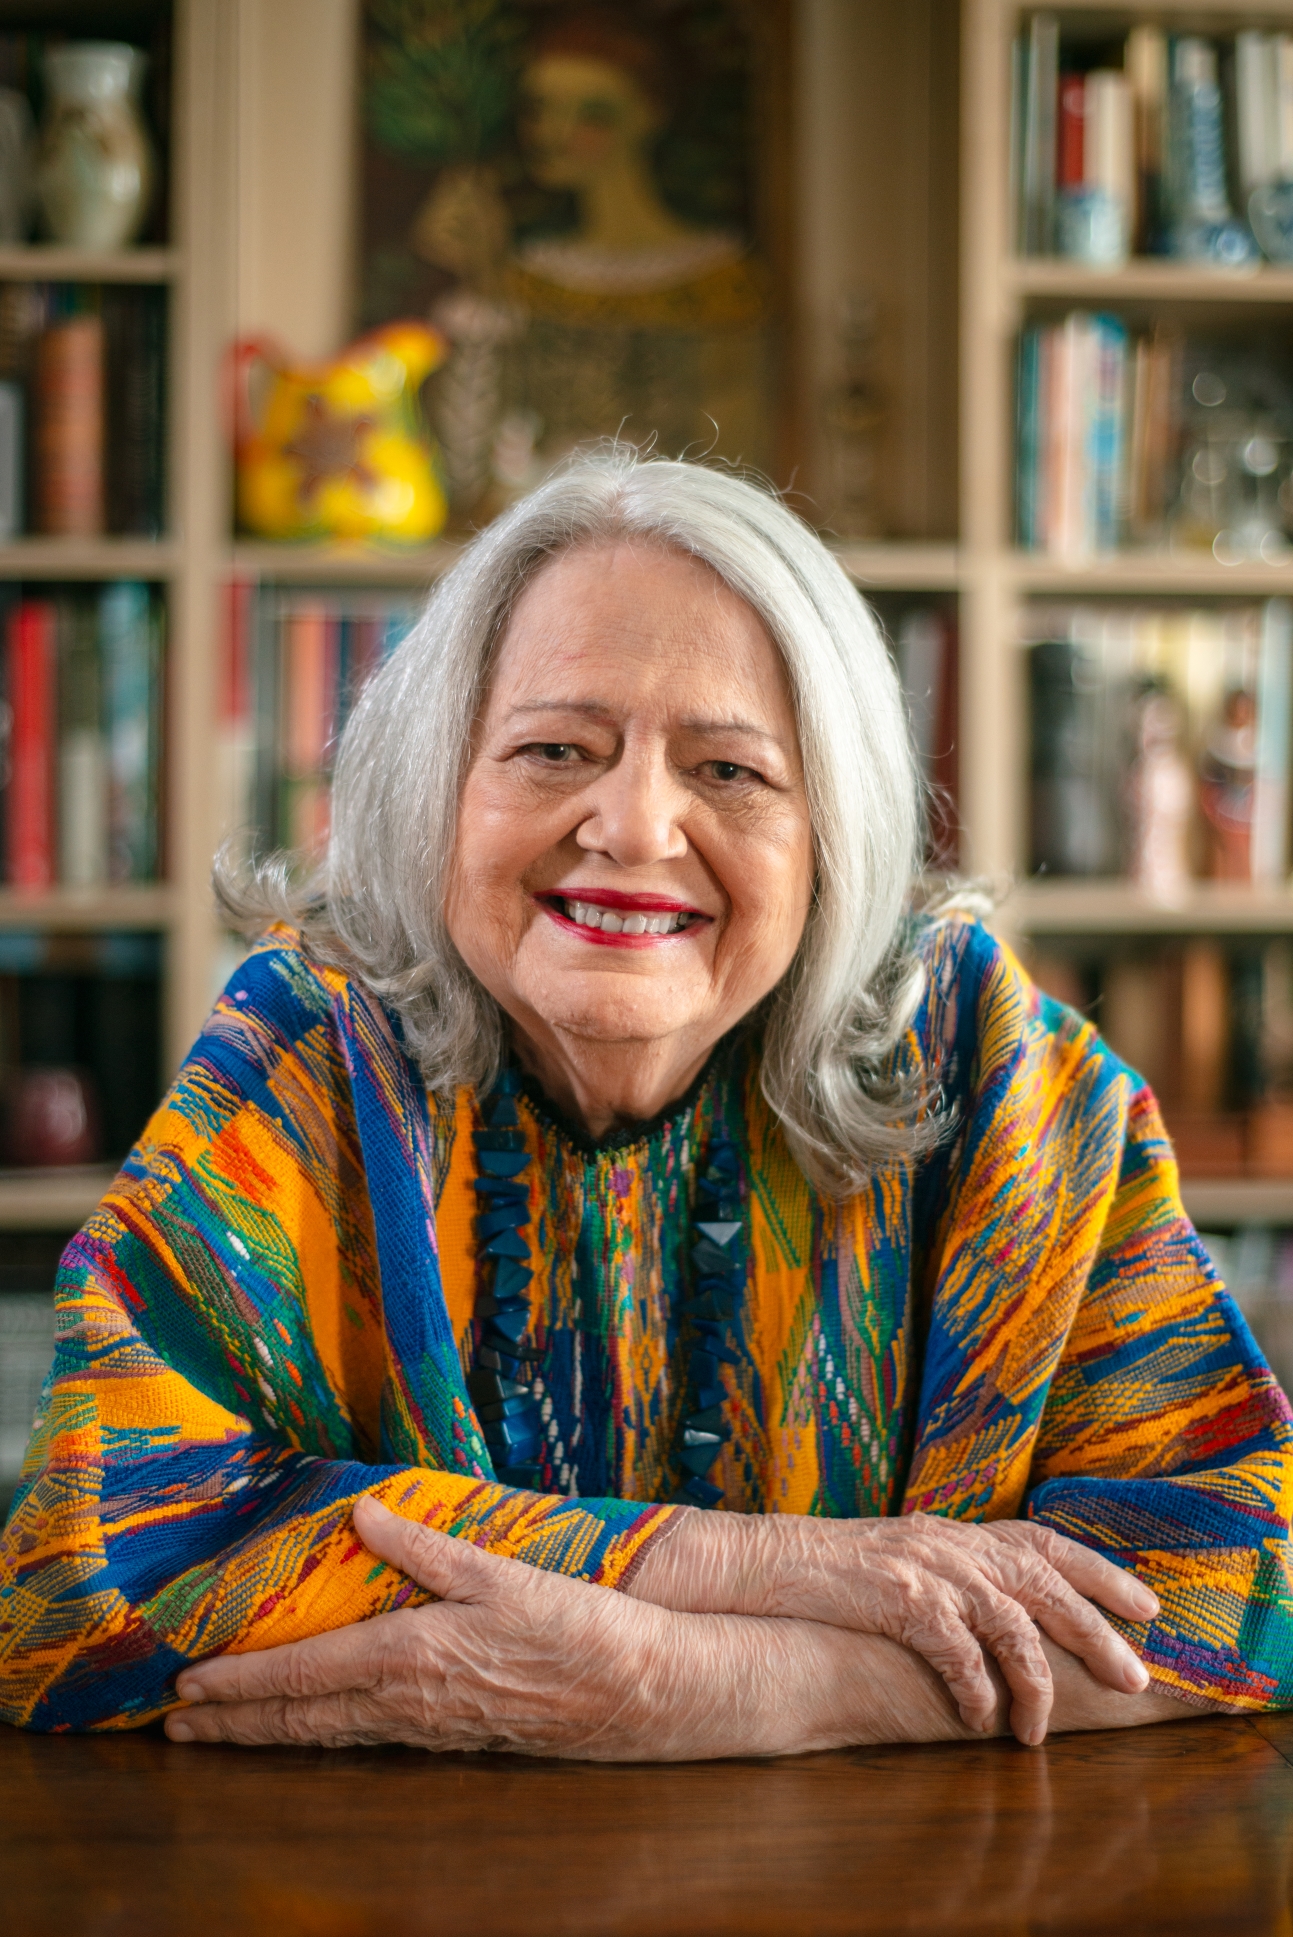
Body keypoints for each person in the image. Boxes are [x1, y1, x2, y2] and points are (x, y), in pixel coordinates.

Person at [2, 452, 1291, 1756]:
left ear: (830, 831)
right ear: (440, 784)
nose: (631, 826)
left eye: (729, 770)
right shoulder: (307, 1055)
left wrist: (731, 1683)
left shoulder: (997, 1073)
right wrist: (753, 1566)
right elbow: (91, 1565)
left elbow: (1245, 1577)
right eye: (554, 748)